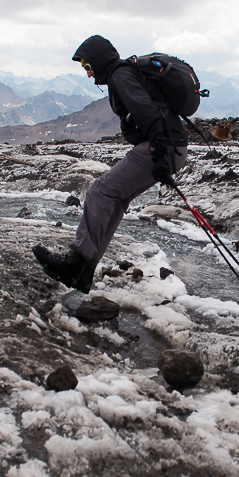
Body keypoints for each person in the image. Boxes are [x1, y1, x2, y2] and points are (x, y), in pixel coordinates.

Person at [32, 35, 189, 292]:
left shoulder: (120, 76)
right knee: (114, 201)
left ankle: (76, 262)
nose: (88, 73)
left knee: (99, 191)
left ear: (97, 60)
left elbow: (146, 111)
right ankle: (84, 273)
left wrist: (160, 154)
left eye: (87, 66)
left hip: (163, 147)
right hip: (170, 147)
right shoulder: (123, 75)